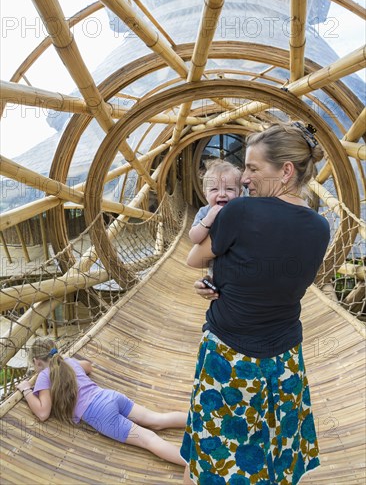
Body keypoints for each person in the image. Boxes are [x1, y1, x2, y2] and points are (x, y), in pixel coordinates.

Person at [181, 122, 330, 485]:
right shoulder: (320, 227)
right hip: (285, 360)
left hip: (229, 357)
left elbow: (195, 259)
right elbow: (277, 277)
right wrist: (229, 282)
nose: (245, 179)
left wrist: (218, 284)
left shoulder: (239, 213)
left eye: (252, 168)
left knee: (216, 449)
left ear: (286, 171)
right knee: (274, 451)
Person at [16, 337, 187, 467]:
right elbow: (88, 366)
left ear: (36, 362)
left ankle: (197, 467)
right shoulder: (68, 362)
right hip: (111, 396)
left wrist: (26, 389)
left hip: (101, 414)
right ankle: (204, 420)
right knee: (157, 420)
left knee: (149, 439)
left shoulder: (44, 378)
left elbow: (42, 412)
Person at [189, 159, 242, 245]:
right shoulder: (205, 212)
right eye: (214, 189)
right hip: (209, 254)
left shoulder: (241, 210)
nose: (222, 194)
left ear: (239, 193)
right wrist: (208, 219)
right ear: (205, 195)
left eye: (229, 189)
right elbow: (194, 238)